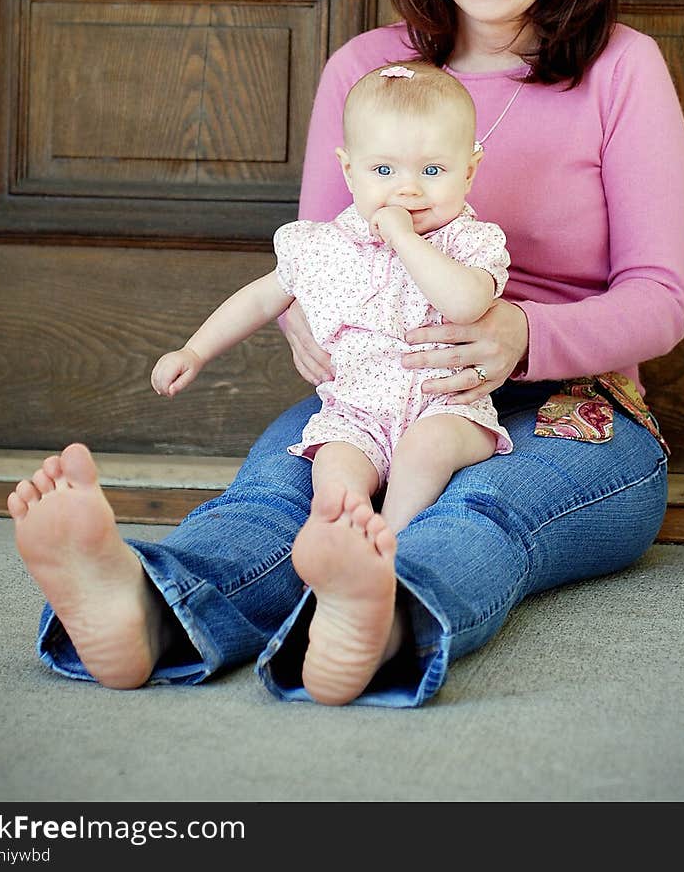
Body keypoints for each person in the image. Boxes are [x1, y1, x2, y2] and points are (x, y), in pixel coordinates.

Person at [7, 0, 684, 709]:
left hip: (577, 405)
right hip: (384, 390)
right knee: (283, 499)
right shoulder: (369, 70)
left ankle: (383, 611)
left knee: (477, 512)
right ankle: (142, 605)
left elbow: (659, 298)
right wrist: (306, 326)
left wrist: (518, 336)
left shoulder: (621, 69)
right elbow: (314, 263)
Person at [150, 61, 513, 551]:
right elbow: (260, 298)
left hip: (445, 406)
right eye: (383, 170)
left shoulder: (471, 241)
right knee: (334, 467)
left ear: (468, 172)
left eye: (432, 171)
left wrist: (405, 240)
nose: (408, 189)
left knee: (426, 452)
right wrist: (193, 352)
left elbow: (467, 304)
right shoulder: (323, 245)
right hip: (356, 411)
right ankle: (347, 533)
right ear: (349, 170)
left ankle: (393, 537)